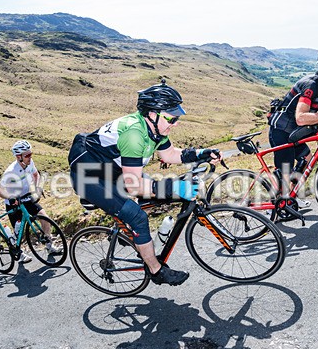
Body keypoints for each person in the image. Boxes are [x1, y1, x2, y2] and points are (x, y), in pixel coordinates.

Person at [68, 79, 221, 286]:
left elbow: (169, 155)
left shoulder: (156, 129)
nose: (175, 123)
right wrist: (172, 187)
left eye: (177, 118)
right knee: (138, 216)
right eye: (172, 118)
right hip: (89, 177)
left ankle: (127, 231)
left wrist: (201, 153)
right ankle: (156, 271)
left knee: (152, 192)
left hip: (111, 170)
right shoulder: (134, 135)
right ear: (152, 114)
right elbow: (134, 184)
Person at [267, 47, 318, 207]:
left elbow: (310, 116)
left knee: (306, 158)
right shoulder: (312, 84)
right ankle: (275, 208)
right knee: (285, 172)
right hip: (281, 130)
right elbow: (301, 118)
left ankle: (290, 197)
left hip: (291, 130)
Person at [0, 140, 62, 264]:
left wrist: (37, 188)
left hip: (26, 198)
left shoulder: (30, 163)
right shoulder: (11, 171)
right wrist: (10, 197)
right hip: (14, 203)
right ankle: (18, 252)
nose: (30, 157)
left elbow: (36, 175)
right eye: (27, 155)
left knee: (44, 217)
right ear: (18, 157)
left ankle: (49, 245)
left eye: (31, 154)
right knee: (18, 232)